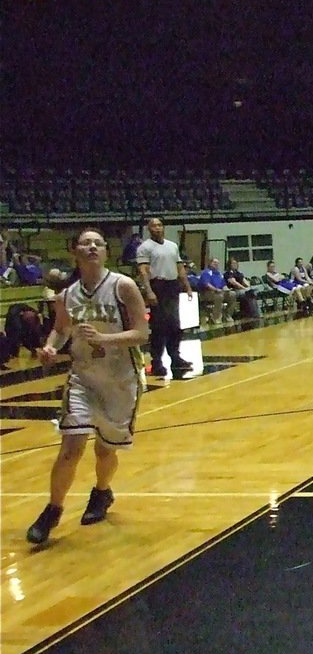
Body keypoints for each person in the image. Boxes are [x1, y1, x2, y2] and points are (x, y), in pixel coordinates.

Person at [26, 228, 149, 545]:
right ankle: (52, 510)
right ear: (75, 252)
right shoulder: (67, 295)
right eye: (86, 243)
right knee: (70, 448)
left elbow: (141, 333)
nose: (93, 247)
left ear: (106, 251)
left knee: (105, 449)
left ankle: (102, 492)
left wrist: (104, 338)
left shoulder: (124, 286)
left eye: (98, 243)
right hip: (83, 377)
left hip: (121, 378)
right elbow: (61, 329)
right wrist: (51, 347)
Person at [136, 218, 193, 377]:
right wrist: (149, 291)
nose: (157, 228)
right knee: (159, 327)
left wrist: (187, 287)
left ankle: (175, 357)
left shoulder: (172, 246)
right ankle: (157, 362)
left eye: (159, 225)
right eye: (154, 226)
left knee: (175, 325)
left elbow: (179, 267)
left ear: (164, 227)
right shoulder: (144, 247)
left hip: (172, 286)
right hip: (157, 286)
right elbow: (143, 271)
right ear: (149, 229)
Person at [198, 257, 238, 324]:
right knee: (219, 296)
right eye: (214, 262)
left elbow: (223, 284)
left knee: (232, 294)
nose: (216, 264)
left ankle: (228, 315)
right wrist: (216, 289)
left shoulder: (219, 274)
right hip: (207, 293)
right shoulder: (206, 272)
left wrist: (227, 289)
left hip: (220, 292)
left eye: (217, 263)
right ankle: (216, 317)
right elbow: (207, 284)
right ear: (210, 263)